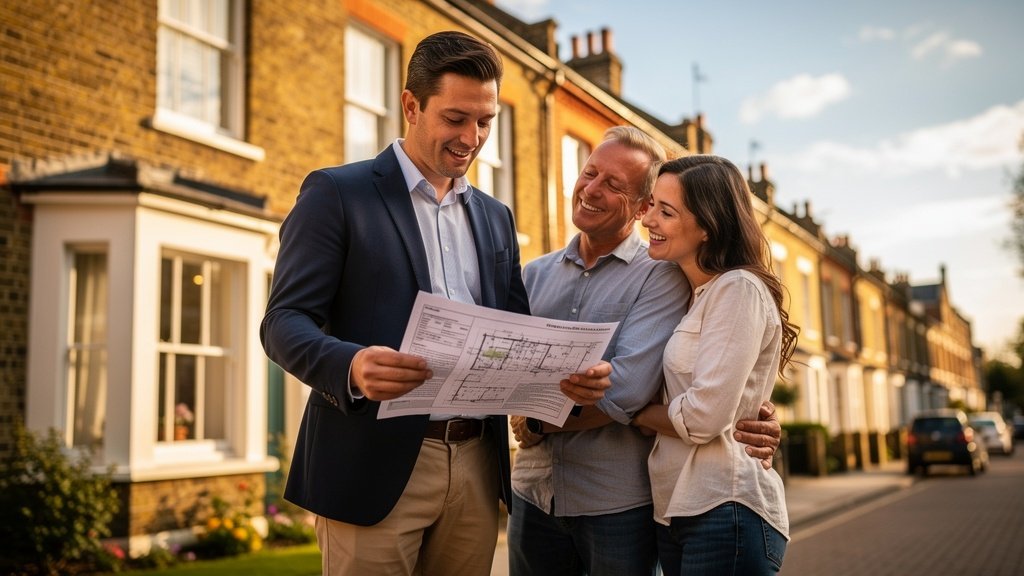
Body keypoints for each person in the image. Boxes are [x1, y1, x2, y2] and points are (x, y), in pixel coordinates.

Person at [260, 30, 611, 576]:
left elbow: (512, 333)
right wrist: (349, 365)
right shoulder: (337, 193)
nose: (472, 137)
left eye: (485, 121)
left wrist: (566, 377)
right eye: (455, 118)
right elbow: (282, 322)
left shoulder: (496, 217)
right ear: (411, 106)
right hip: (369, 464)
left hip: (476, 465)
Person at [506, 127, 782, 576]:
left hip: (624, 502)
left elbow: (635, 392)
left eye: (615, 185)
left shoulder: (668, 277)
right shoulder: (533, 275)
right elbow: (505, 376)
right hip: (538, 493)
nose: (592, 188)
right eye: (590, 172)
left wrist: (539, 418)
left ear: (640, 207)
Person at [632, 155, 799, 575]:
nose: (648, 219)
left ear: (707, 226)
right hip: (679, 508)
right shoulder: (689, 294)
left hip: (726, 505)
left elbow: (705, 416)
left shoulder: (737, 289)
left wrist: (631, 410)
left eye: (666, 212)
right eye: (651, 204)